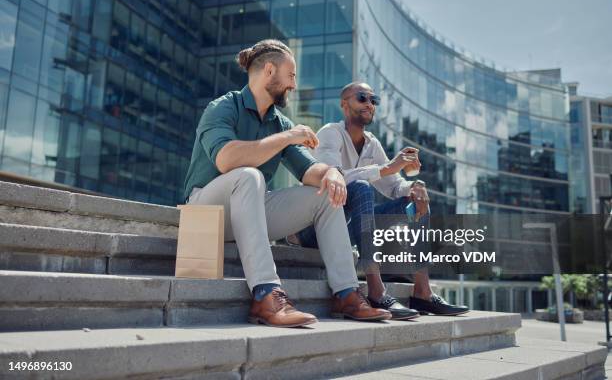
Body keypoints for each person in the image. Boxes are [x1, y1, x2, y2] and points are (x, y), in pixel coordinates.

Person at [183, 41, 391, 328]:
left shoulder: (280, 123)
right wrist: (287, 137)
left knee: (325, 194)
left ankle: (346, 293)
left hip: (250, 211)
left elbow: (308, 169)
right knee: (249, 175)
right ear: (270, 71)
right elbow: (227, 160)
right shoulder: (222, 107)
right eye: (291, 76)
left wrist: (330, 174)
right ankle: (266, 295)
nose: (294, 85)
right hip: (206, 212)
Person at [291, 81, 469, 318]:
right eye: (362, 98)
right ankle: (376, 289)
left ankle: (423, 293)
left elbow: (394, 186)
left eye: (373, 100)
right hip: (312, 228)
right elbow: (333, 177)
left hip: (348, 227)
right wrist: (386, 167)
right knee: (362, 188)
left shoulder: (372, 143)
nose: (369, 105)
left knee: (415, 200)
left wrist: (415, 186)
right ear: (344, 105)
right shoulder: (330, 133)